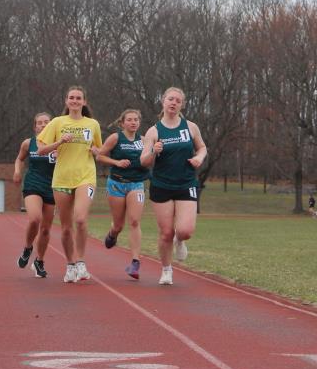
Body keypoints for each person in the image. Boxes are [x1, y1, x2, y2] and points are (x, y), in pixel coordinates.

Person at [139, 87, 207, 286]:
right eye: (171, 99)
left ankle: (180, 240)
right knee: (166, 232)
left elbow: (202, 147)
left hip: (186, 183)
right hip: (162, 185)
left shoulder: (190, 127)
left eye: (178, 100)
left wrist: (199, 158)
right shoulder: (154, 131)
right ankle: (166, 269)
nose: (174, 103)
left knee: (185, 230)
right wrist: (153, 151)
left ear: (182, 105)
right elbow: (144, 161)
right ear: (163, 101)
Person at [37, 86, 102, 283]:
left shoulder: (92, 124)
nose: (75, 101)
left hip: (85, 177)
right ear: (66, 101)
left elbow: (99, 149)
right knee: (66, 228)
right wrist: (59, 143)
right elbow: (41, 150)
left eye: (78, 98)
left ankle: (81, 261)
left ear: (84, 102)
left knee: (80, 219)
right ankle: (70, 264)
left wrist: (96, 152)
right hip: (62, 179)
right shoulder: (57, 122)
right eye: (71, 97)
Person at [96, 109, 149, 280]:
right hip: (117, 184)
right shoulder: (115, 138)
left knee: (134, 221)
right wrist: (116, 162)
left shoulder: (144, 140)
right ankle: (113, 234)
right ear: (122, 123)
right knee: (118, 225)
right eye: (130, 120)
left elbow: (150, 160)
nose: (133, 122)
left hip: (136, 184)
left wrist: (154, 153)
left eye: (136, 120)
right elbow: (100, 157)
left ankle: (135, 262)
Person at [13, 112, 56, 278]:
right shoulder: (28, 143)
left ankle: (39, 261)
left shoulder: (59, 143)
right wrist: (17, 171)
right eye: (40, 123)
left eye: (47, 122)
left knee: (45, 229)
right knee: (34, 219)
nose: (43, 125)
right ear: (35, 126)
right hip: (33, 184)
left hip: (52, 187)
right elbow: (19, 159)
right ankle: (27, 247)